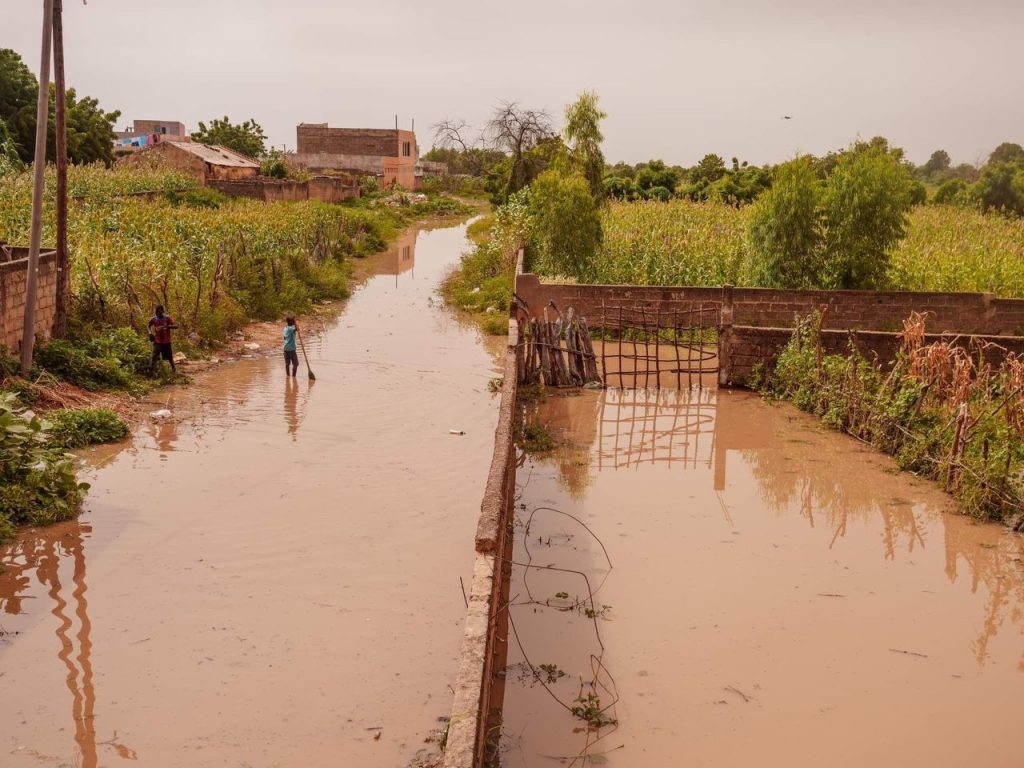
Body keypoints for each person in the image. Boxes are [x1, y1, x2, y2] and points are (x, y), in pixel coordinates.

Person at [148, 305, 178, 376]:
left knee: (169, 357)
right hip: (157, 341)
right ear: (156, 312)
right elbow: (148, 326)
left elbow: (176, 326)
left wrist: (166, 326)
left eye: (160, 312)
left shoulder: (167, 318)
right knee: (154, 356)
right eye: (157, 312)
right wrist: (150, 333)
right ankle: (152, 372)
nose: (159, 313)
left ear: (163, 311)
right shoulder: (153, 319)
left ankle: (174, 371)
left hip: (166, 341)